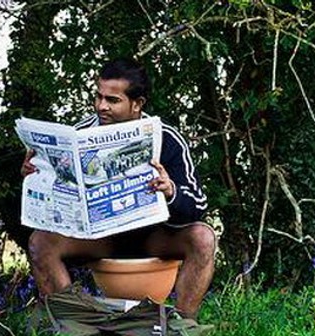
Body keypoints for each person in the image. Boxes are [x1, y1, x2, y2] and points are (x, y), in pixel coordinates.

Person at [23, 58, 215, 321]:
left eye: (112, 100)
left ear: (137, 104)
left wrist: (170, 190)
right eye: (99, 97)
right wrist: (37, 175)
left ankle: (181, 330)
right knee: (40, 242)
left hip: (153, 236)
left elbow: (198, 206)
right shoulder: (78, 135)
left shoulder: (166, 138)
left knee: (203, 237)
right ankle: (73, 330)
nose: (101, 106)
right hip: (100, 238)